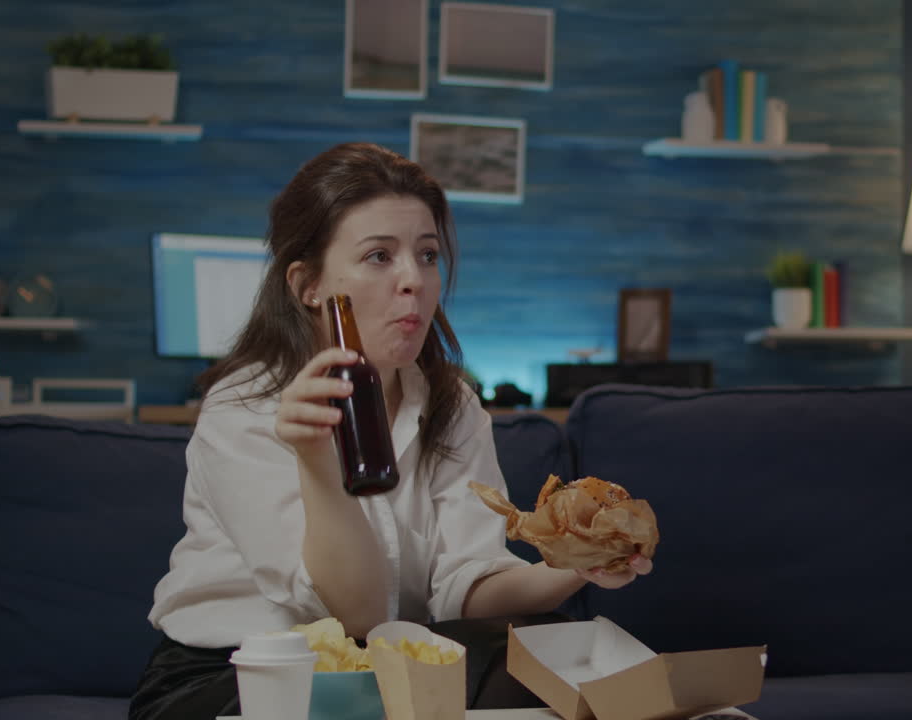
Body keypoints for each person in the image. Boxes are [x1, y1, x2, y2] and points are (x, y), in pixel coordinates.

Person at [129, 143, 652, 720]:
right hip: (238, 673)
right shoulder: (245, 407)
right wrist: (316, 463)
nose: (414, 280)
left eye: (427, 255)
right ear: (307, 284)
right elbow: (356, 613)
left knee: (538, 653)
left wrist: (572, 565)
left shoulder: (452, 404)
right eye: (379, 256)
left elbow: (465, 586)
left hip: (382, 669)